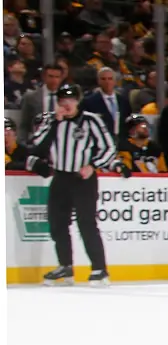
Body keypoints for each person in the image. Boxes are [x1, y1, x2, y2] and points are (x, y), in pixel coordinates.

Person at [28, 83, 117, 286]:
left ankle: (99, 269)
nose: (66, 105)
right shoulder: (51, 120)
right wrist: (55, 123)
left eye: (70, 100)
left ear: (78, 101)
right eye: (62, 101)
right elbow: (38, 145)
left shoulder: (90, 120)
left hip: (82, 179)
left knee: (86, 223)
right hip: (60, 177)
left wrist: (93, 165)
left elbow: (109, 147)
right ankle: (65, 266)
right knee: (57, 223)